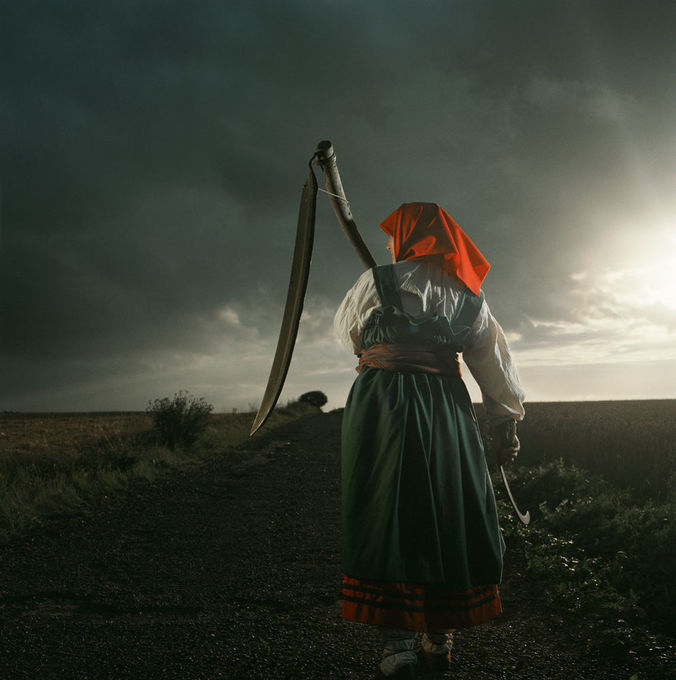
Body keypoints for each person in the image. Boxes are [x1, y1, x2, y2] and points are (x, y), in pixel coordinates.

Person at [334, 202, 525, 679]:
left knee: (386, 509)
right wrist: (505, 427)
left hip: (381, 406)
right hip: (444, 408)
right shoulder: (467, 297)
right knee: (448, 506)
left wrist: (387, 344)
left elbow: (352, 338)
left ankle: (397, 646)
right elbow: (495, 370)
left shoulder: (373, 283)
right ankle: (440, 636)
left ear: (406, 238)